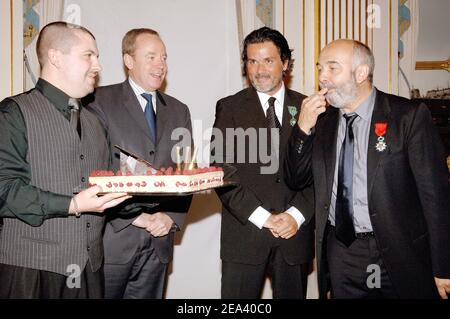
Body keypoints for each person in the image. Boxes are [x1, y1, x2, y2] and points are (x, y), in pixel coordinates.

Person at [285, 39, 450, 299]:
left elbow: (435, 196)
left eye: (332, 68)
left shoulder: (407, 116)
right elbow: (296, 179)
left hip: (399, 250)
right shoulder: (323, 124)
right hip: (342, 253)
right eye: (319, 69)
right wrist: (303, 129)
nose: (322, 78)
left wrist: (443, 264)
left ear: (361, 73)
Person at [0, 21, 130, 299]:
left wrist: (163, 191)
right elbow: (4, 189)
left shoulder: (96, 123)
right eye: (88, 56)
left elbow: (105, 192)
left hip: (90, 271)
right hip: (31, 271)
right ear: (55, 57)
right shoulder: (13, 113)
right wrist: (72, 205)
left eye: (97, 57)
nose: (97, 66)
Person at [87, 28, 192, 299]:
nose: (161, 65)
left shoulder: (179, 110)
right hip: (114, 239)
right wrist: (134, 216)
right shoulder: (98, 102)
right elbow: (92, 169)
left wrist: (170, 217)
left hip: (159, 243)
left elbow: (185, 173)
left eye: (164, 58)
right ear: (129, 61)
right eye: (152, 57)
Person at [211, 27, 314, 299]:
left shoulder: (309, 108)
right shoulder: (229, 107)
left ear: (285, 63)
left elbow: (322, 172)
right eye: (252, 61)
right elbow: (221, 171)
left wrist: (296, 215)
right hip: (245, 238)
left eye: (268, 60)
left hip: (294, 237)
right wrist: (263, 217)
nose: (259, 69)